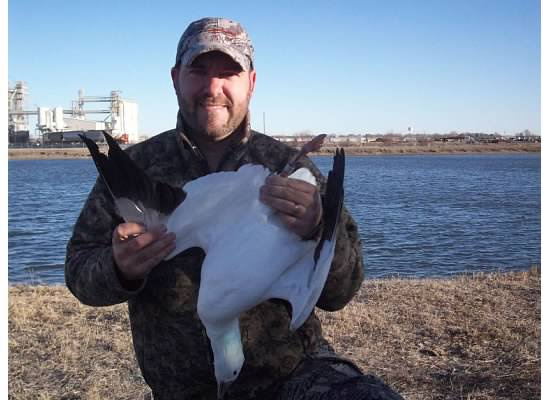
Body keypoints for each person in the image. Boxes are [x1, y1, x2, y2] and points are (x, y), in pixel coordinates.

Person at [65, 17, 402, 400]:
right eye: (199, 71)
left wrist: (319, 229)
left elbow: (341, 292)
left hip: (291, 378)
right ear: (176, 78)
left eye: (229, 72)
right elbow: (79, 273)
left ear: (251, 83)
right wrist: (120, 268)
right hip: (181, 391)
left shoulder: (290, 169)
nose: (213, 88)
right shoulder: (140, 167)